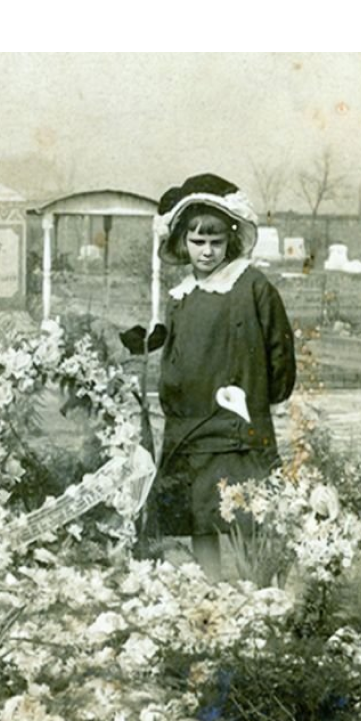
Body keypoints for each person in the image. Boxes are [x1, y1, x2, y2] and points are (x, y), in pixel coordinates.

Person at [121, 174, 295, 578]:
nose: (207, 251)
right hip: (190, 425)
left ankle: (258, 584)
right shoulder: (181, 296)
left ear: (229, 241)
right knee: (201, 511)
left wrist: (266, 396)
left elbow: (278, 348)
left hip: (238, 423)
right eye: (198, 242)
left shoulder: (251, 286)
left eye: (216, 242)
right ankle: (209, 584)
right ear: (183, 243)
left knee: (248, 508)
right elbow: (177, 356)